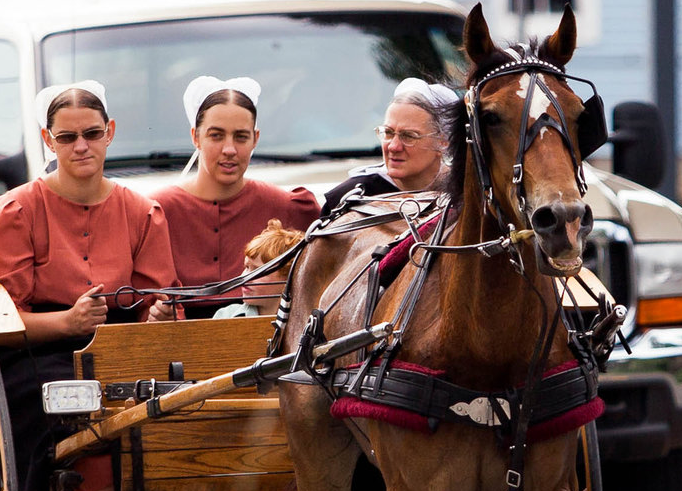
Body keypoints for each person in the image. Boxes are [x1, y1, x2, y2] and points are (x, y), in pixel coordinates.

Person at [0, 79, 177, 491]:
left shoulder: (143, 212)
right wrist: (66, 323)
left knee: (176, 407)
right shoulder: (16, 212)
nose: (81, 146)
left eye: (91, 133)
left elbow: (158, 301)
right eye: (67, 137)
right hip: (37, 352)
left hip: (125, 351)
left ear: (110, 132)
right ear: (49, 140)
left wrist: (160, 317)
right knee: (80, 414)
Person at [152, 75, 319, 318]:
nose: (229, 150)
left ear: (255, 139)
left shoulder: (290, 208)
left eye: (240, 137)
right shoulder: (158, 211)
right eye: (216, 136)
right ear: (195, 137)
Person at [321, 77, 459, 214]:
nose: (393, 147)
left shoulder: (465, 192)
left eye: (408, 136)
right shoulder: (349, 199)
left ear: (443, 142)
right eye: (388, 133)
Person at [211, 219, 304, 319]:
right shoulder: (225, 316)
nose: (245, 277)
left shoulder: (306, 322)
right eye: (246, 267)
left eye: (258, 271)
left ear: (289, 277)